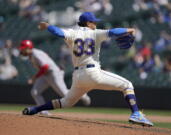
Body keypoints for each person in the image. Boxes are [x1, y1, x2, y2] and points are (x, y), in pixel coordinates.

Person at [22, 12, 153, 126]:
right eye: (94, 22)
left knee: (66, 102)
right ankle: (136, 113)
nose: (95, 23)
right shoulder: (96, 33)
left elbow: (58, 32)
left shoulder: (72, 33)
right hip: (93, 72)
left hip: (78, 76)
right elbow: (113, 32)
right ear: (88, 23)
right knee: (127, 85)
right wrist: (129, 29)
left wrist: (47, 26)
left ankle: (34, 109)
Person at [19, 40, 91, 115]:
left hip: (53, 74)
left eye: (23, 48)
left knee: (65, 95)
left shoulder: (36, 54)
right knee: (35, 92)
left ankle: (82, 95)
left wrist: (34, 78)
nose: (22, 50)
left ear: (28, 47)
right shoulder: (32, 55)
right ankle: (44, 111)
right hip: (45, 75)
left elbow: (45, 67)